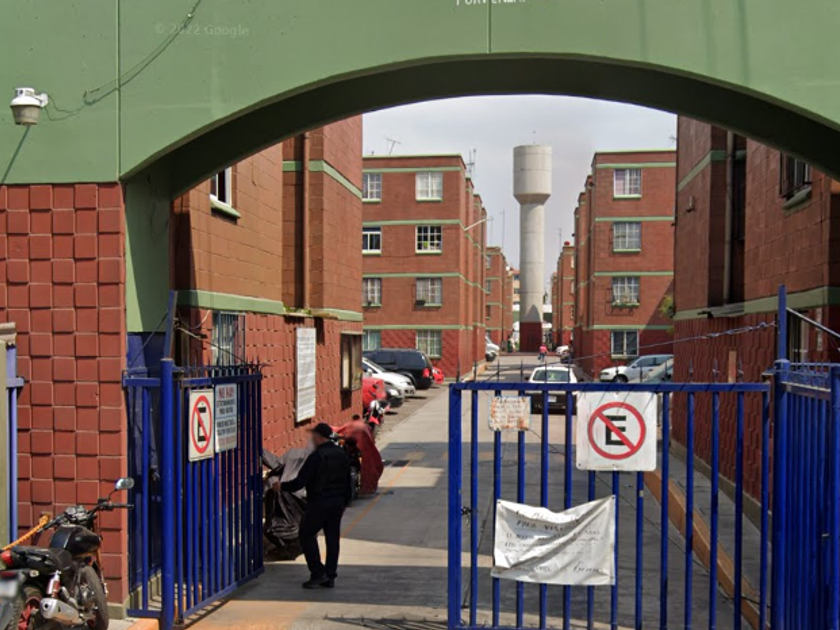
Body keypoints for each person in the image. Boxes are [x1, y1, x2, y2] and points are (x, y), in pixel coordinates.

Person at [280, 422, 351, 589]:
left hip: (319, 502)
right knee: (332, 539)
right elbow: (348, 481)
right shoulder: (341, 453)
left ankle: (318, 573)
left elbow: (300, 482)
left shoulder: (316, 456)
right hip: (337, 503)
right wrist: (344, 502)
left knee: (306, 534)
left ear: (319, 437)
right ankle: (330, 575)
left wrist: (281, 486)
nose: (311, 439)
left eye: (313, 436)